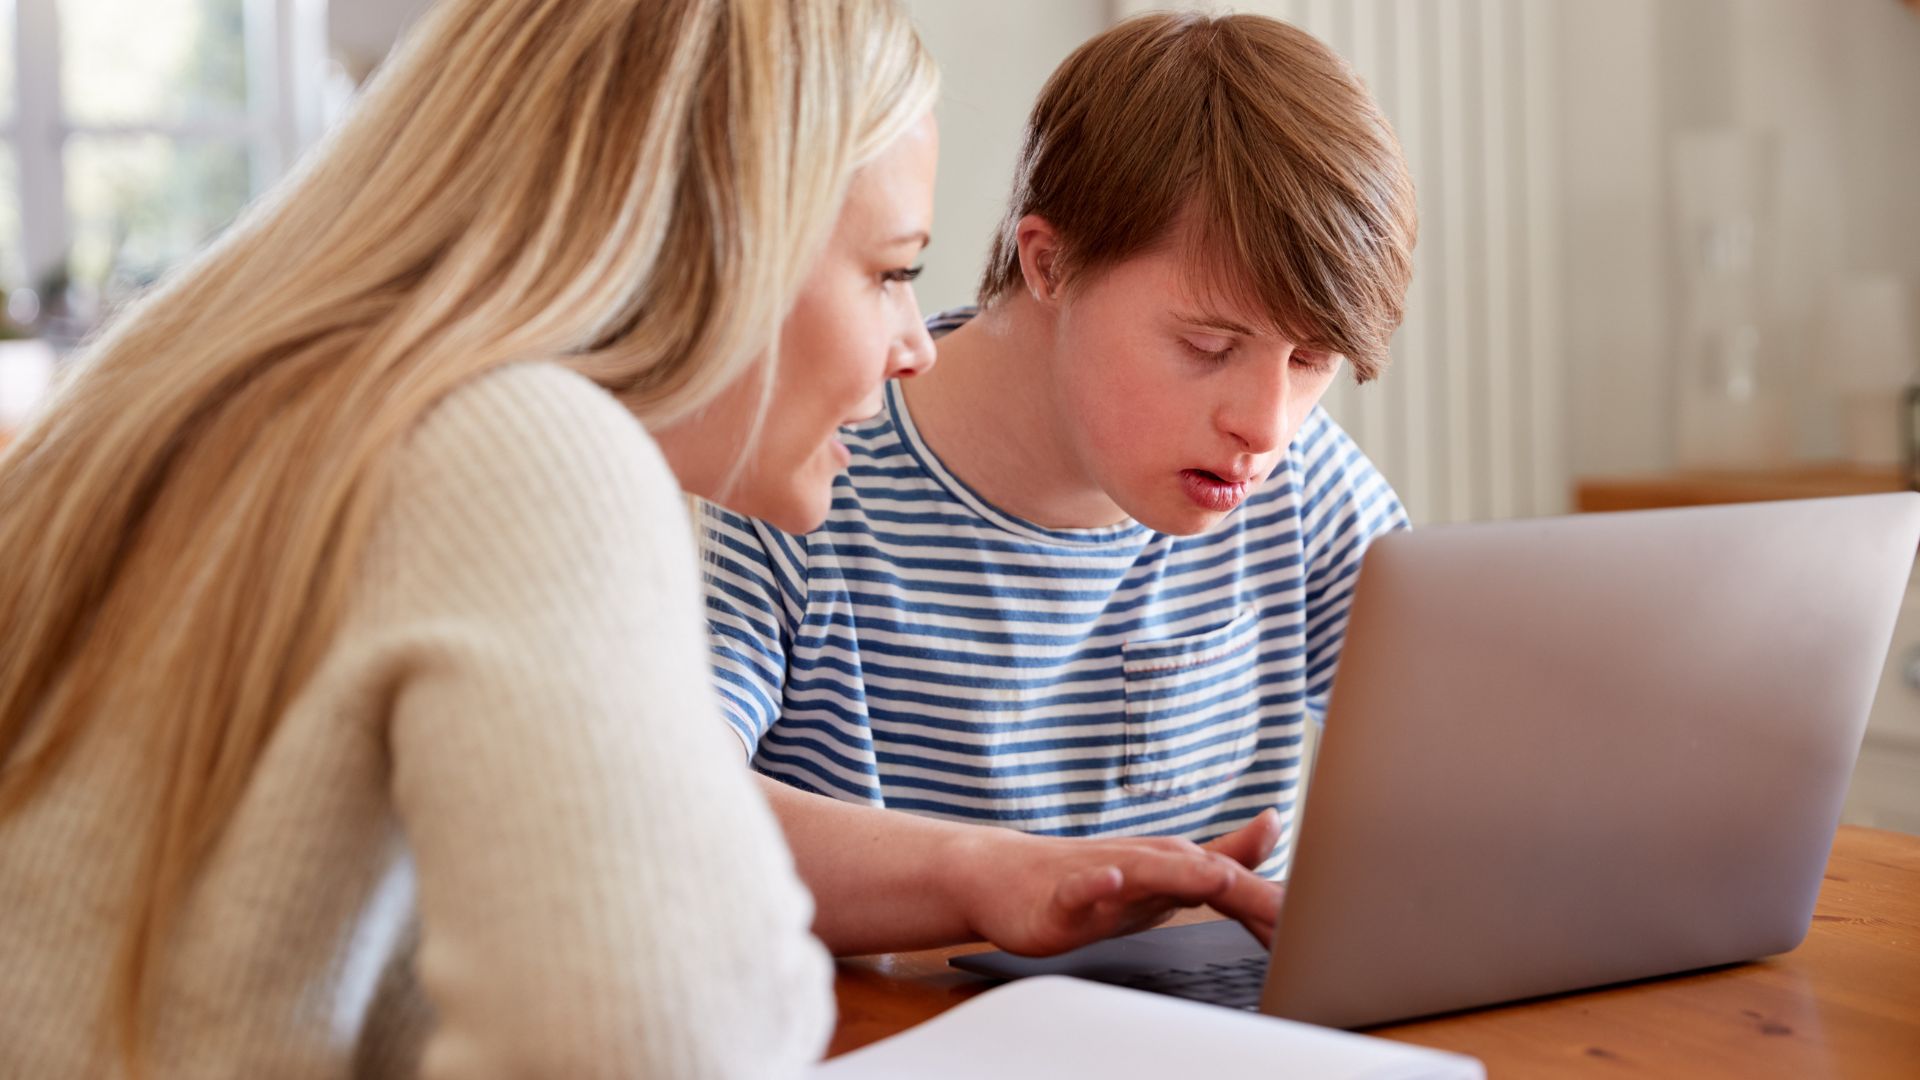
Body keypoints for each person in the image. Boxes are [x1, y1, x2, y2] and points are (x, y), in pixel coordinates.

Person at [0, 1, 937, 1075]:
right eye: (891, 272)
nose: (917, 346)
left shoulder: (198, 397)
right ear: (718, 227)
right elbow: (679, 1042)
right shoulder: (515, 447)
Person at [699, 11, 1418, 958]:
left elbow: (1474, 755)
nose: (1267, 423)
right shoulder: (801, 470)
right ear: (1050, 263)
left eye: (1310, 361)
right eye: (1209, 346)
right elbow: (668, 805)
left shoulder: (1301, 481)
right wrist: (993, 877)